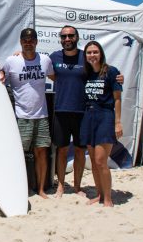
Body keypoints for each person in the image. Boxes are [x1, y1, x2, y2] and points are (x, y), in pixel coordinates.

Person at [50, 25, 123, 198]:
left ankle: (77, 187)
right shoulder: (53, 57)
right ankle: (60, 185)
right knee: (61, 150)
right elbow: (40, 65)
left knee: (79, 151)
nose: (67, 39)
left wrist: (118, 77)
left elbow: (103, 72)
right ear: (60, 38)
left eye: (71, 36)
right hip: (61, 110)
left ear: (77, 37)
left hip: (83, 112)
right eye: (64, 36)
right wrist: (18, 54)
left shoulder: (85, 57)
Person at [2, 28, 54, 198]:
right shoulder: (11, 61)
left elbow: (60, 78)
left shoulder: (45, 60)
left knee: (41, 153)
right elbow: (0, 79)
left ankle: (40, 189)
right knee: (18, 155)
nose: (28, 42)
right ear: (21, 41)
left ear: (37, 42)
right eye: (25, 40)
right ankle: (17, 187)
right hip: (21, 117)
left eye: (31, 40)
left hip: (42, 116)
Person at [80, 41, 122, 207]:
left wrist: (118, 123)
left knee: (100, 161)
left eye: (95, 52)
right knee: (93, 160)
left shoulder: (111, 72)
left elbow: (117, 98)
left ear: (101, 53)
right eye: (89, 53)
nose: (92, 55)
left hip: (105, 116)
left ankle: (108, 198)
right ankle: (99, 194)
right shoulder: (87, 73)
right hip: (88, 116)